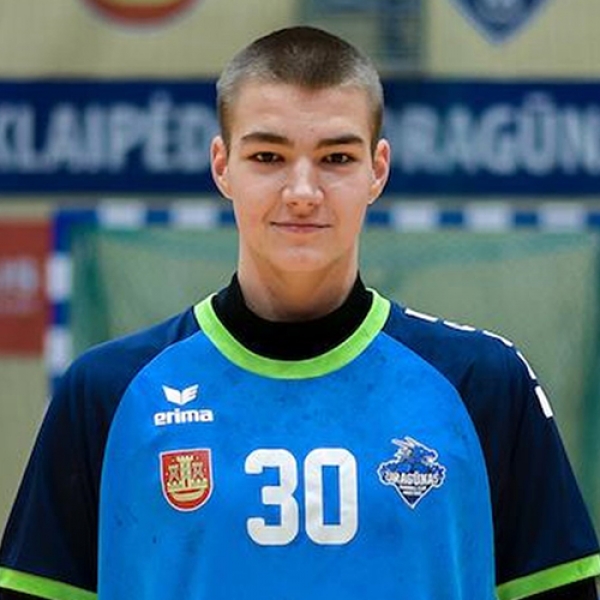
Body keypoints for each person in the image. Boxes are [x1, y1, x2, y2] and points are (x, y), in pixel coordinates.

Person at [0, 25, 599, 600]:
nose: (303, 192)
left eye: (336, 158)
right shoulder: (108, 393)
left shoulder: (484, 385)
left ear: (378, 170)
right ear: (222, 166)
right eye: (268, 156)